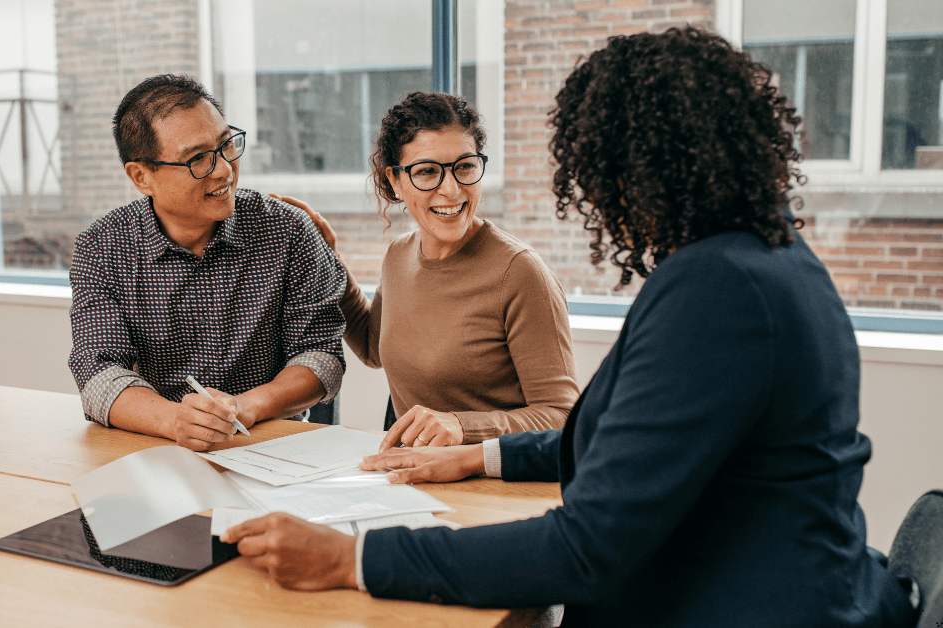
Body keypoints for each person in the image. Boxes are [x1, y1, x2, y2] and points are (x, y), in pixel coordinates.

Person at [223, 28, 919, 627]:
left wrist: (355, 558)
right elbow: (622, 443)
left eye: (601, 174)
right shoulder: (762, 260)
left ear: (642, 171)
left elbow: (586, 548)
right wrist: (479, 458)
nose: (599, 199)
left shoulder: (721, 290)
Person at [275, 91, 579, 451]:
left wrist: (462, 426)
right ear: (395, 180)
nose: (451, 189)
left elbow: (562, 416)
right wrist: (329, 261)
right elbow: (373, 348)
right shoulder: (399, 255)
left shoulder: (521, 273)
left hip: (491, 477)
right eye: (426, 171)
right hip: (416, 469)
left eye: (465, 166)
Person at [68, 74, 347, 451]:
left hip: (271, 444)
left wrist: (246, 407)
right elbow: (99, 372)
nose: (224, 170)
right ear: (142, 176)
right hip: (159, 446)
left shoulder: (289, 230)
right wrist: (175, 420)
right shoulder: (102, 247)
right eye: (197, 158)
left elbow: (321, 356)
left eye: (226, 145)